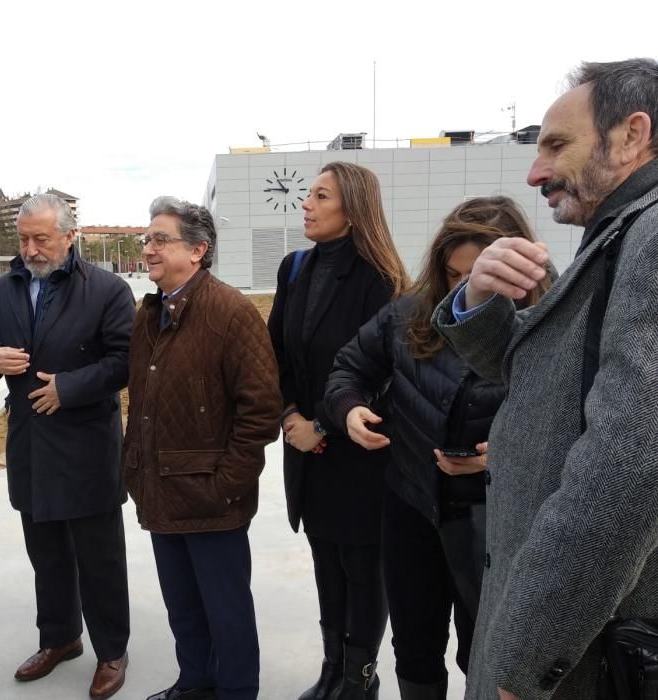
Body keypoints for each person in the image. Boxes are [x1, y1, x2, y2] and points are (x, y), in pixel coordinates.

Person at [432, 59, 658, 700]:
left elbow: (626, 475)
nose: (535, 174)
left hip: (585, 656)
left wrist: (527, 663)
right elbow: (538, 379)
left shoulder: (651, 237)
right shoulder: (618, 233)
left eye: (557, 145)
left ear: (631, 134)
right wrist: (479, 296)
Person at [325, 197, 553, 700]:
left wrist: (509, 452)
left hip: (496, 520)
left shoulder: (551, 321)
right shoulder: (409, 312)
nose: (467, 289)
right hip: (411, 506)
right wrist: (349, 409)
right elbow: (349, 368)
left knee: (487, 649)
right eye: (454, 275)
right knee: (415, 645)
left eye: (483, 276)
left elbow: (583, 427)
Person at [0, 194, 134, 699]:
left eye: (41, 239)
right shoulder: (7, 287)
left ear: (69, 236)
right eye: (23, 239)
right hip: (30, 446)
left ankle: (112, 650)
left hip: (86, 446)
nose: (31, 249)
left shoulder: (106, 290)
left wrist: (70, 387)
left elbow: (125, 360)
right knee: (46, 555)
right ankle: (60, 638)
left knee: (99, 558)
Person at [122, 196, 281, 700]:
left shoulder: (230, 311)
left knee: (226, 611)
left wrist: (227, 485)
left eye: (160, 239)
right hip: (160, 490)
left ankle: (236, 691)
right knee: (183, 606)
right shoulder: (148, 315)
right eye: (146, 239)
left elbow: (261, 410)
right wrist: (135, 468)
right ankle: (194, 683)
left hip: (213, 499)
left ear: (198, 250)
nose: (148, 248)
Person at [267, 161, 409, 700]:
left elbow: (382, 372)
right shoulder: (294, 268)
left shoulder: (383, 280)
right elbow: (275, 353)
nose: (307, 204)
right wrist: (290, 418)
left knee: (361, 568)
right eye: (309, 194)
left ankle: (359, 681)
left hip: (360, 449)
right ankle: (331, 671)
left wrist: (323, 423)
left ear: (352, 212)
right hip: (306, 446)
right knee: (325, 559)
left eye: (321, 196)